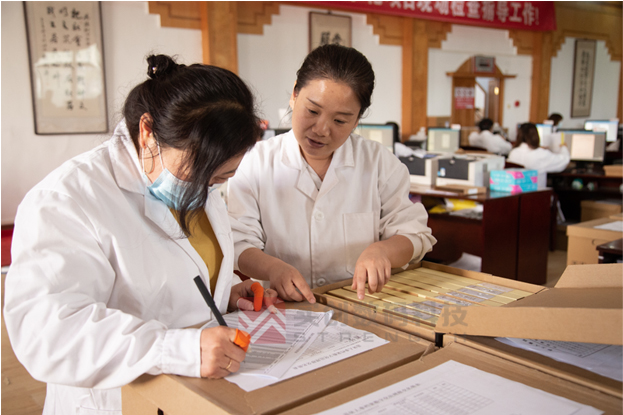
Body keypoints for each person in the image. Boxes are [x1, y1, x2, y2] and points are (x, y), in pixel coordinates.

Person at [3, 55, 275, 414]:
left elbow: (178, 275)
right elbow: (47, 334)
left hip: (194, 395)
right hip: (116, 401)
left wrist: (223, 293)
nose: (204, 190)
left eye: (219, 179)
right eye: (198, 174)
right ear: (148, 132)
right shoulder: (65, 199)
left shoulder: (195, 183)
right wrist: (176, 350)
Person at [227, 44, 436, 303]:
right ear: (294, 94)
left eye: (340, 120)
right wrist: (273, 269)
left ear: (357, 120)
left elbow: (414, 233)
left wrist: (383, 251)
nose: (321, 129)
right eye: (312, 111)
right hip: (282, 308)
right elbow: (239, 241)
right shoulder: (254, 162)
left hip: (359, 305)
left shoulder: (379, 163)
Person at [507, 123, 570, 188]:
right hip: (536, 192)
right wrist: (564, 147)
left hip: (517, 193)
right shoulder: (541, 154)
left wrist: (540, 149)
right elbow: (564, 161)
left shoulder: (513, 153)